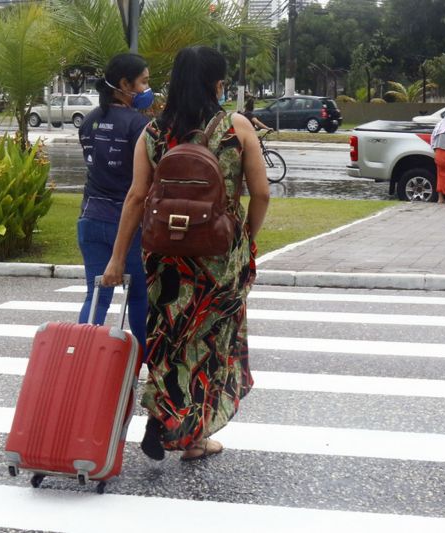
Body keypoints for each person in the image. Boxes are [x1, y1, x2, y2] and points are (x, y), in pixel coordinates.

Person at [101, 46, 270, 461]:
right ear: (217, 83)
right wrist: (245, 235)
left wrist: (116, 259)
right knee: (211, 344)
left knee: (169, 339)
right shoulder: (237, 128)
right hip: (218, 257)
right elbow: (262, 193)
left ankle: (164, 416)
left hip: (166, 259)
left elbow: (137, 197)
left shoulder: (153, 132)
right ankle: (195, 437)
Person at [77, 53, 152, 350]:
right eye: (144, 81)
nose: (148, 88)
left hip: (89, 220)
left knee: (96, 295)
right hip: (126, 224)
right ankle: (146, 362)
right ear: (125, 84)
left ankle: (81, 357)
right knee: (138, 296)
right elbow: (142, 182)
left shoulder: (89, 121)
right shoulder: (139, 126)